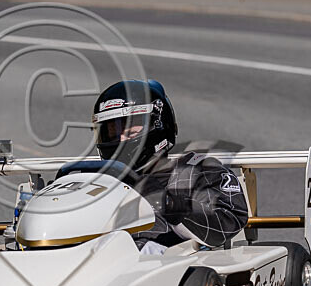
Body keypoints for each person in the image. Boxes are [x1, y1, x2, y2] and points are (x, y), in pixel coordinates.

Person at [92, 80, 249, 254]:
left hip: (170, 265)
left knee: (142, 250)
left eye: (131, 127)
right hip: (95, 262)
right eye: (113, 129)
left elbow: (228, 221)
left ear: (158, 123)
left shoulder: (196, 170)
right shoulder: (96, 181)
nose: (121, 137)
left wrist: (172, 205)